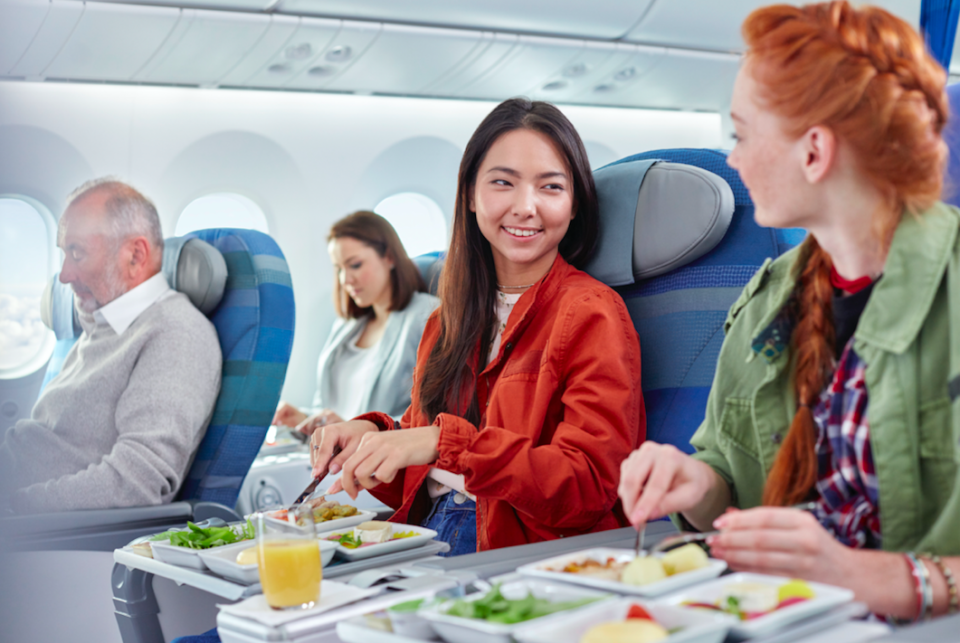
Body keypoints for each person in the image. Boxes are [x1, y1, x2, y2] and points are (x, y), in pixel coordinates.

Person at [618, 1, 960, 622]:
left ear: (814, 152)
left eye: (743, 134)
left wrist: (898, 579)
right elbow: (728, 468)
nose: (733, 159)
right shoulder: (766, 298)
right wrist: (697, 485)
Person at [310, 98, 644, 555]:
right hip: (425, 535)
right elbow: (426, 467)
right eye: (503, 183)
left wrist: (440, 444)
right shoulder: (446, 320)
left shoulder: (591, 312)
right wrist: (373, 440)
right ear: (470, 194)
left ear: (573, 204)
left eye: (550, 187)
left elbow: (587, 488)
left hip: (517, 555)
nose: (526, 207)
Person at [0, 178, 222, 514]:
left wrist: (13, 508)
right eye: (64, 253)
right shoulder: (100, 321)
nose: (63, 275)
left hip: (43, 531)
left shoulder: (176, 333)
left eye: (77, 253)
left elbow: (138, 481)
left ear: (135, 255)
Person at [272, 211, 439, 432]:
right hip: (334, 453)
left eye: (355, 265)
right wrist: (303, 418)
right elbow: (336, 411)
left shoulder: (427, 315)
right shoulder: (346, 326)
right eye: (339, 268)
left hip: (378, 456)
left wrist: (358, 428)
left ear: (389, 257)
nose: (345, 280)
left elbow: (433, 418)